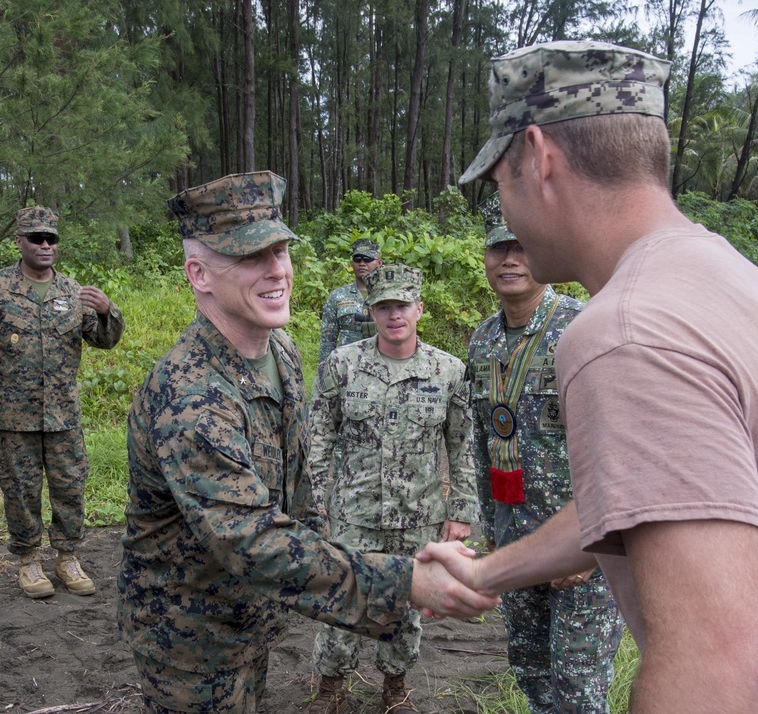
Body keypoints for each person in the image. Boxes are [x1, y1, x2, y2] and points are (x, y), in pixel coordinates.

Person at [422, 40, 758, 713]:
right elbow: (666, 488)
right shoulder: (724, 276)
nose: (507, 211)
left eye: (501, 181)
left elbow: (722, 664)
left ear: (538, 158)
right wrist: (488, 570)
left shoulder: (625, 332)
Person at [117, 171, 496, 713]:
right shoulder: (193, 396)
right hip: (190, 636)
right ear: (198, 274)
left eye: (280, 250)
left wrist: (342, 548)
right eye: (251, 257)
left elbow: (299, 489)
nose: (276, 270)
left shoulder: (282, 352)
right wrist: (403, 581)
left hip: (248, 618)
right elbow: (249, 538)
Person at [467, 194, 621, 713]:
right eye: (498, 248)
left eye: (522, 246)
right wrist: (492, 529)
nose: (509, 259)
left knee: (579, 692)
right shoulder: (484, 340)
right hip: (518, 537)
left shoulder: (584, 328)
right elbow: (482, 438)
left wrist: (599, 544)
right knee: (532, 673)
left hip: (582, 548)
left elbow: (622, 444)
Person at [307, 263, 478, 714]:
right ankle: (331, 689)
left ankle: (395, 687)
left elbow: (463, 448)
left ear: (419, 308)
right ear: (372, 312)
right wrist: (315, 506)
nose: (394, 314)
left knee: (407, 606)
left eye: (402, 305)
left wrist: (460, 510)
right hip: (353, 513)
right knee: (342, 597)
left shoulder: (448, 371)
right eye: (383, 306)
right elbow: (318, 440)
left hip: (417, 513)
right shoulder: (342, 365)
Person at [0, 206, 124, 599]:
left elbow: (104, 340)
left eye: (51, 238)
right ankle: (28, 561)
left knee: (70, 486)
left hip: (62, 414)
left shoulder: (71, 291)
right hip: (12, 417)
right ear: (20, 242)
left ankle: (67, 557)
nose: (45, 245)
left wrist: (107, 311)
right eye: (36, 238)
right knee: (20, 490)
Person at [319, 237, 381, 363]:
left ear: (379, 263)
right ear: (352, 264)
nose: (362, 263)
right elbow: (327, 339)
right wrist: (323, 370)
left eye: (367, 259)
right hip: (346, 366)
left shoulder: (388, 295)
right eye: (357, 259)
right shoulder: (337, 296)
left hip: (380, 366)